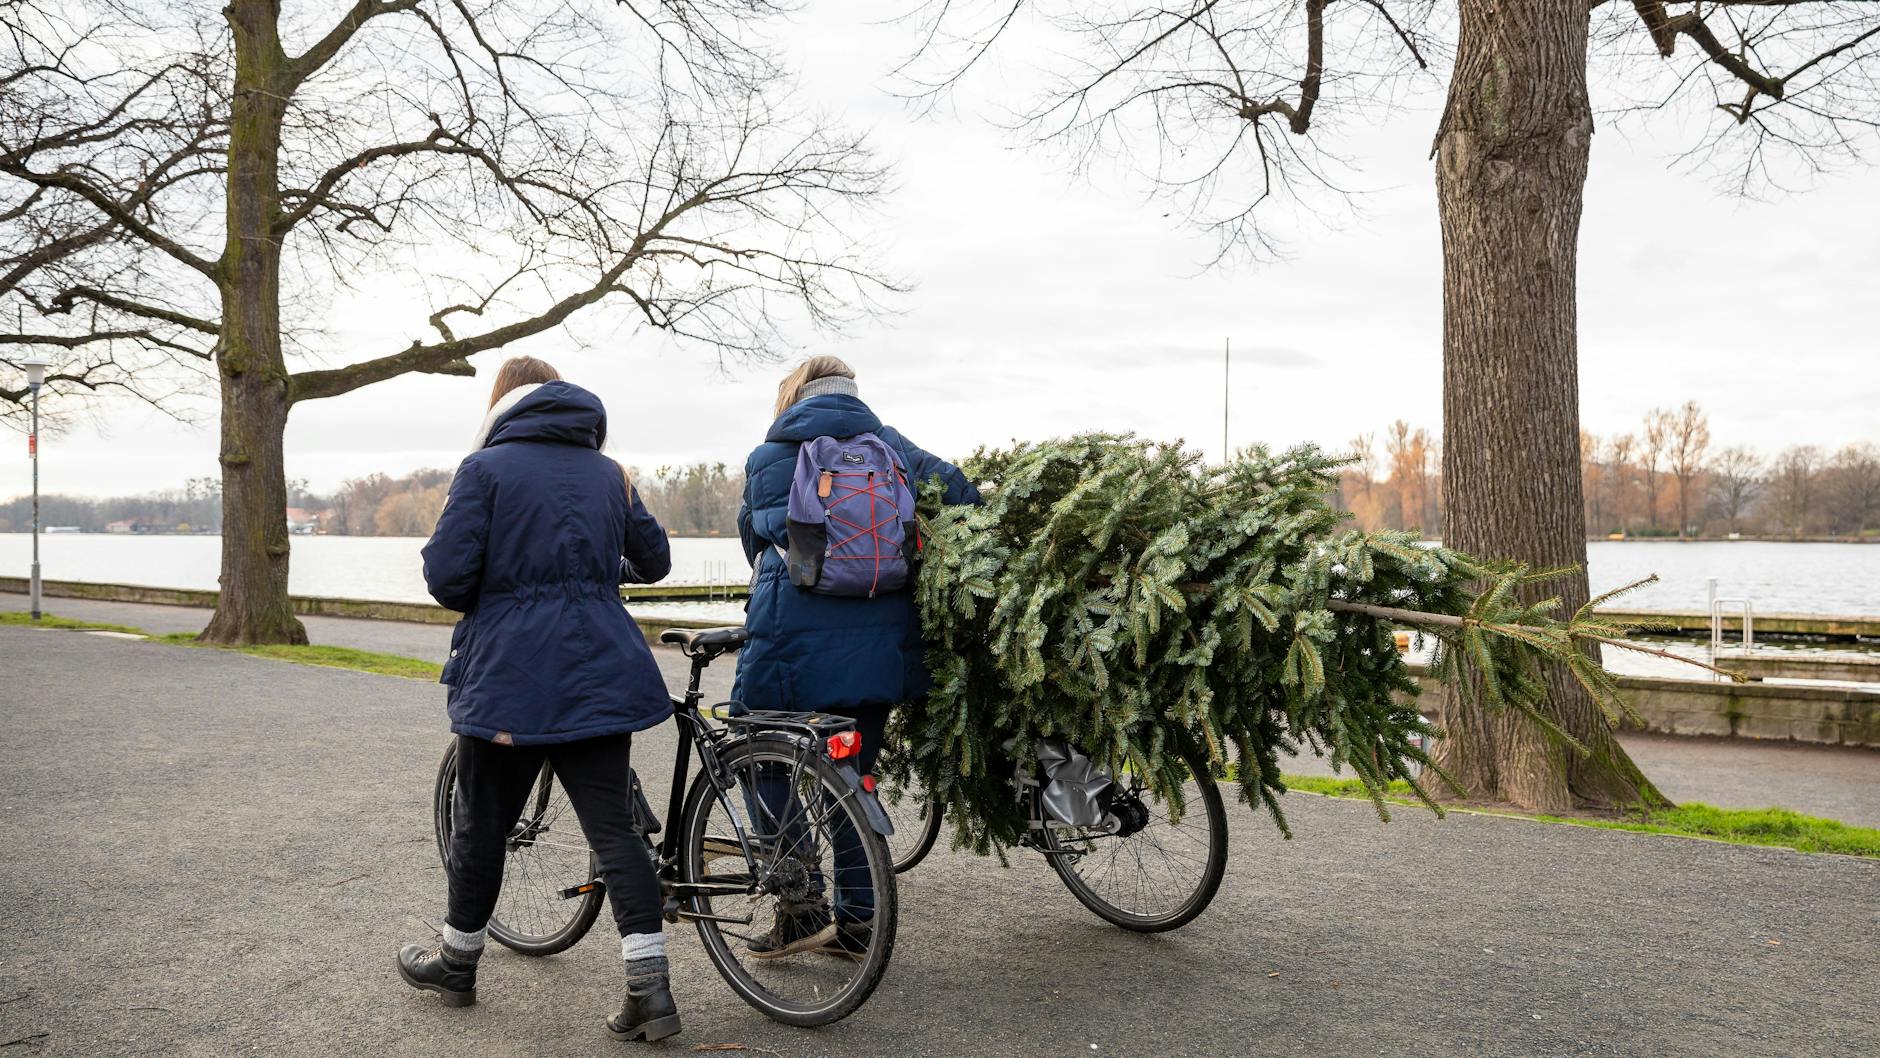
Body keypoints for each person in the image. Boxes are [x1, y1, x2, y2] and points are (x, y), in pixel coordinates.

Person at [397, 356, 681, 1043]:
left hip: (510, 678)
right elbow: (655, 563)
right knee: (615, 833)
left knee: (483, 824)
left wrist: (506, 584)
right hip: (598, 670)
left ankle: (458, 967)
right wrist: (589, 571)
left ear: (502, 405)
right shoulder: (609, 472)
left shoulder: (485, 469)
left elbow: (447, 577)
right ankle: (651, 990)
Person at [734, 355, 980, 959]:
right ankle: (857, 926)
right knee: (852, 778)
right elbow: (967, 500)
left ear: (794, 394)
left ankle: (798, 907)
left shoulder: (773, 455)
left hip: (787, 645)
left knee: (758, 758)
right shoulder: (892, 448)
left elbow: (755, 540)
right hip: (879, 643)